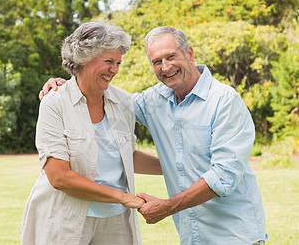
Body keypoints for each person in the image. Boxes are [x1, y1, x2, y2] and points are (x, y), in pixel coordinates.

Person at [41, 26, 267, 245]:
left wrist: (167, 206)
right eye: (157, 61)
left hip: (236, 234)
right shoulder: (153, 100)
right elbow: (99, 96)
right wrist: (66, 84)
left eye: (171, 56)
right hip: (191, 234)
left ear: (189, 54)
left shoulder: (224, 101)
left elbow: (224, 177)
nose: (165, 67)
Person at [22, 22, 162, 245]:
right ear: (83, 58)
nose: (114, 70)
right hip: (66, 219)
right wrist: (125, 198)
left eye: (117, 63)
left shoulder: (123, 101)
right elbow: (59, 177)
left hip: (116, 222)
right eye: (108, 61)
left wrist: (172, 167)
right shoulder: (55, 102)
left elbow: (126, 156)